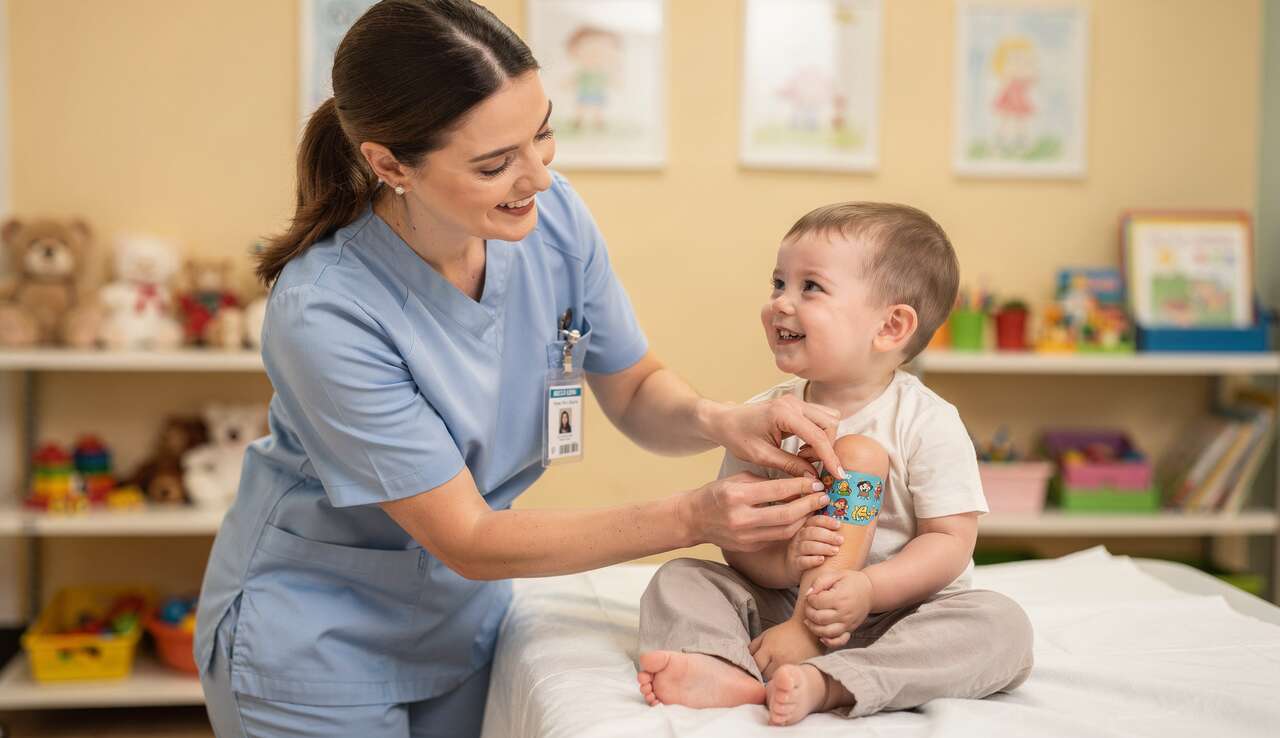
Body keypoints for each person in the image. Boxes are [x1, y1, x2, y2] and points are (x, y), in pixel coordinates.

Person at [194, 2, 844, 737]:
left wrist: (722, 420)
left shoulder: (552, 218)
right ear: (389, 164)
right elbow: (466, 535)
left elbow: (632, 388)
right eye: (495, 163)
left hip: (461, 621)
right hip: (314, 641)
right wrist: (693, 516)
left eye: (543, 135)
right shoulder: (327, 311)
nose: (536, 176)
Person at [637, 202, 1035, 725]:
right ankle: (721, 665)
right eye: (779, 283)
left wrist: (868, 589)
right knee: (681, 578)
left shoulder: (926, 422)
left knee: (1001, 626)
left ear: (890, 326)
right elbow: (739, 540)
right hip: (782, 607)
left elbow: (949, 544)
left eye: (810, 288)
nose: (781, 303)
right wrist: (784, 564)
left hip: (896, 617)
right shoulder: (764, 418)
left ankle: (833, 682)